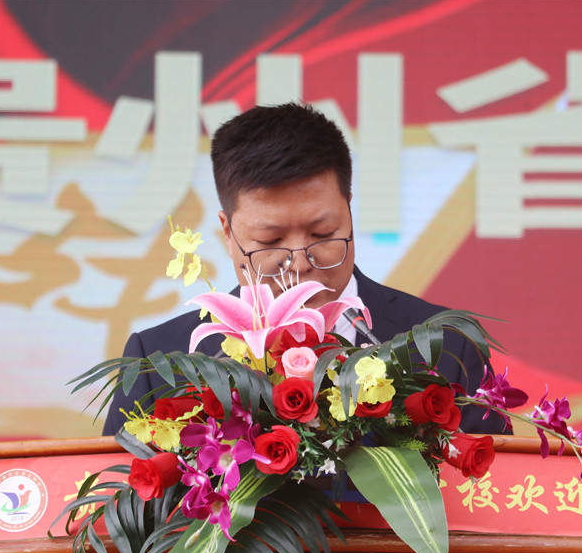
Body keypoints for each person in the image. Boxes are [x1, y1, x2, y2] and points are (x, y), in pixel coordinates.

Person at [102, 102, 507, 436]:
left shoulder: (445, 347)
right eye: (270, 240)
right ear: (228, 233)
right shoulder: (159, 365)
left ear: (349, 210)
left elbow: (493, 496)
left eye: (322, 233)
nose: (298, 262)